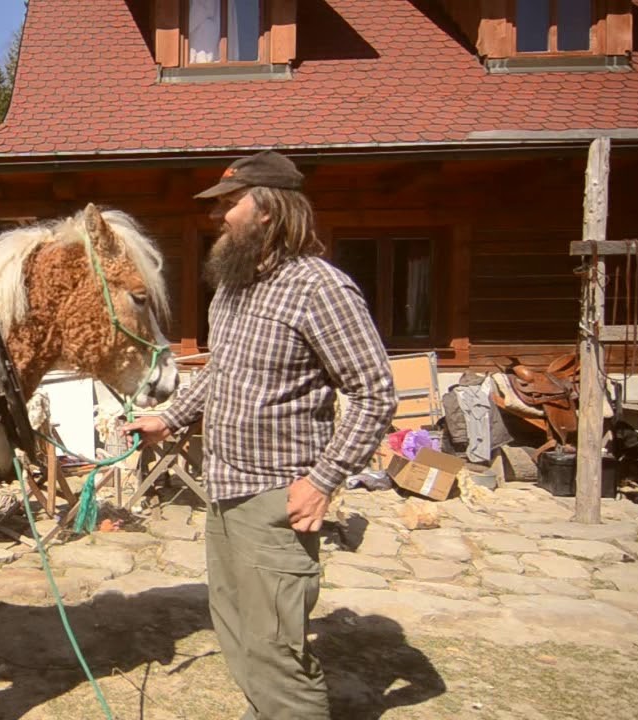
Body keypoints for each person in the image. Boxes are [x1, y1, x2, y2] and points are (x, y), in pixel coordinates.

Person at [123, 151, 396, 720]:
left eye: (230, 202)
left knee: (274, 648)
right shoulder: (234, 286)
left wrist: (322, 482)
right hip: (224, 491)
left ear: (269, 209)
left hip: (278, 497)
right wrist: (169, 418)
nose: (219, 216)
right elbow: (222, 371)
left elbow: (374, 393)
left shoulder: (320, 288)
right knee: (236, 629)